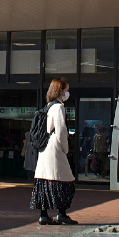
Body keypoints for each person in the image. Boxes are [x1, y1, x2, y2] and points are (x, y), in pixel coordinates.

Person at [32, 77, 77, 225]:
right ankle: (61, 213)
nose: (67, 93)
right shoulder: (59, 107)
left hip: (45, 149)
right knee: (65, 180)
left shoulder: (49, 106)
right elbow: (61, 130)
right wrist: (66, 148)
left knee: (45, 181)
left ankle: (43, 215)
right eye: (66, 90)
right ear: (60, 91)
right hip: (55, 148)